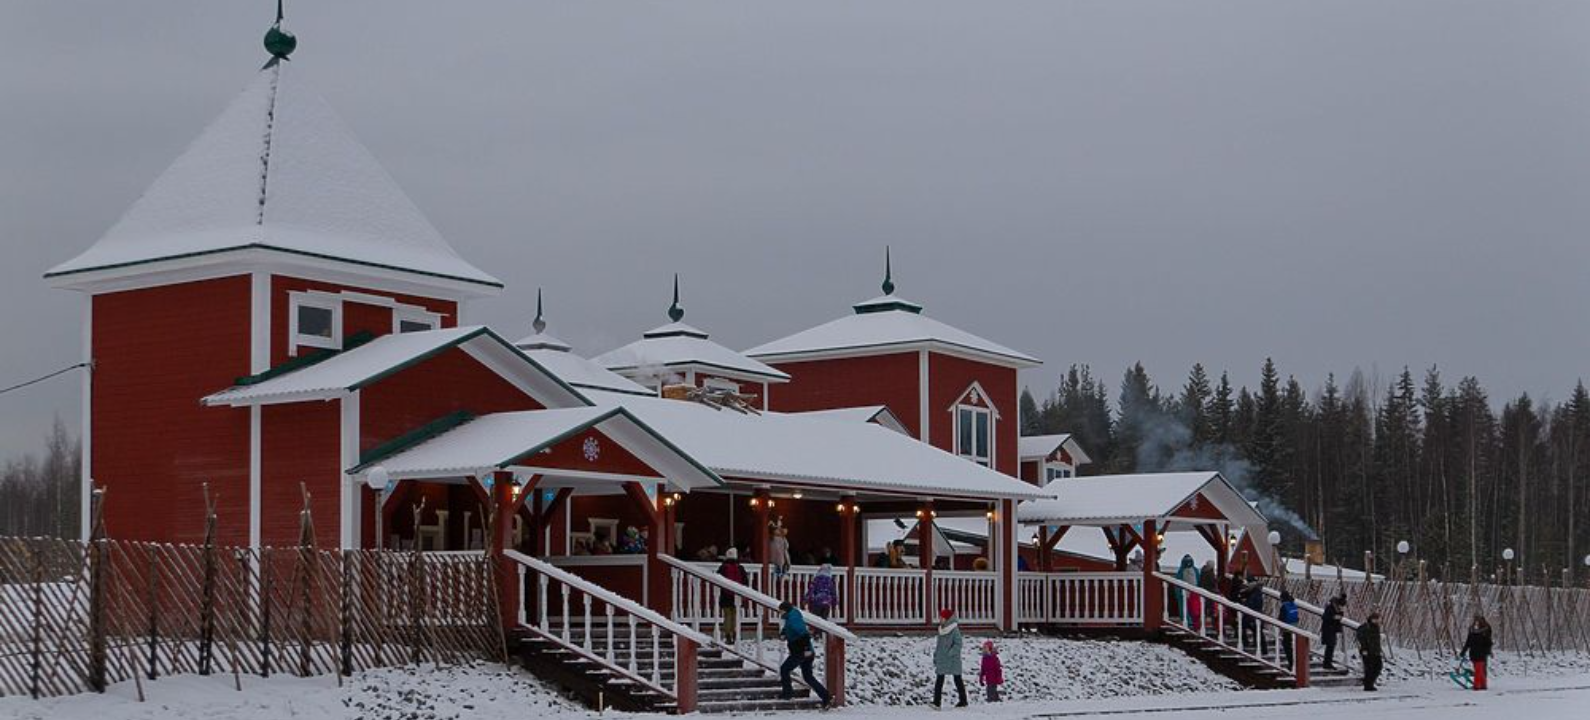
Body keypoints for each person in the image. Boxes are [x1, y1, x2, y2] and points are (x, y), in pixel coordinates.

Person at [777, 601, 832, 708]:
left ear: (785, 610)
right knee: (808, 677)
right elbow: (789, 629)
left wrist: (806, 649)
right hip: (805, 651)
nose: (780, 613)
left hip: (800, 651)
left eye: (781, 611)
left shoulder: (792, 619)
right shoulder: (792, 617)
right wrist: (783, 633)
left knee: (784, 669)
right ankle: (826, 697)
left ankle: (787, 693)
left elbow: (803, 633)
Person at [933, 608, 968, 708]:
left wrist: (950, 653)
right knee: (939, 679)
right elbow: (939, 645)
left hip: (952, 659)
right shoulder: (941, 629)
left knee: (957, 679)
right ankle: (936, 702)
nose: (940, 619)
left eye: (942, 617)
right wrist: (936, 655)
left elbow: (958, 644)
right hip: (942, 658)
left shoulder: (954, 630)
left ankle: (963, 700)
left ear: (947, 619)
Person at [716, 549, 747, 643]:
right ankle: (735, 632)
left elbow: (717, 578)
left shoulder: (723, 567)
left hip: (725, 595)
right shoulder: (740, 568)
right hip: (737, 595)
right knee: (735, 615)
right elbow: (745, 581)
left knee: (727, 615)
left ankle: (728, 635)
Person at [1462, 615, 1493, 691]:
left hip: (1481, 654)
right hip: (1473, 653)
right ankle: (1483, 684)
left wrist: (1487, 651)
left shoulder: (1485, 631)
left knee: (1478, 670)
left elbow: (1489, 643)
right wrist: (1463, 651)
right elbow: (1468, 642)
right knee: (1479, 670)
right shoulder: (1472, 631)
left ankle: (1477, 685)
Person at [1357, 611, 1384, 691]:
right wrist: (1364, 648)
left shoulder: (1376, 628)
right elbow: (1361, 638)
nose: (1378, 621)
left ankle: (1369, 683)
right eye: (1376, 619)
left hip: (1375, 651)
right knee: (1370, 668)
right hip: (1368, 651)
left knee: (1378, 666)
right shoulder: (1366, 627)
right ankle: (1368, 684)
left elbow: (1376, 641)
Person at [1321, 595, 1346, 670]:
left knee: (1331, 646)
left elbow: (1340, 616)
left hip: (1333, 629)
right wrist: (1334, 617)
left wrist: (1339, 614)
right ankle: (1327, 663)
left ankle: (1328, 662)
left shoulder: (1338, 609)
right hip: (1328, 629)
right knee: (1330, 645)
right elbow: (1325, 617)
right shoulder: (1330, 607)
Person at [1277, 591, 1300, 668]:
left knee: (1286, 645)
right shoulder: (1292, 604)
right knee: (1290, 645)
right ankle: (1294, 662)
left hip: (1286, 628)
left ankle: (1291, 663)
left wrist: (1280, 628)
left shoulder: (1284, 606)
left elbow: (1281, 618)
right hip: (1294, 626)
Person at [1174, 554, 1199, 625]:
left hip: (1194, 593)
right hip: (1184, 593)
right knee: (1184, 607)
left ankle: (1193, 621)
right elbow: (1177, 583)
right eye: (1187, 561)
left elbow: (1198, 580)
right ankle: (1186, 620)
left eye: (1189, 561)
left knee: (1193, 608)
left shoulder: (1195, 570)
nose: (1188, 563)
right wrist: (1179, 593)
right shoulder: (1181, 571)